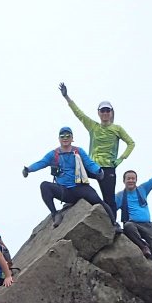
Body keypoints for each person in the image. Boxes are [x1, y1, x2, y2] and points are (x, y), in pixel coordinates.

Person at [59, 84, 135, 214]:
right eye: (102, 111)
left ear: (111, 113)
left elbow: (131, 143)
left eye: (107, 111)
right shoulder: (93, 126)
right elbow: (79, 114)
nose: (105, 113)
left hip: (108, 168)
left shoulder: (117, 129)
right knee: (73, 173)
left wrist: (121, 159)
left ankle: (112, 223)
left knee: (109, 199)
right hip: (91, 166)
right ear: (98, 113)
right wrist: (66, 97)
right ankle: (71, 201)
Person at [23, 129, 109, 226]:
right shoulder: (54, 154)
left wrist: (98, 171)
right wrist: (28, 169)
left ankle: (114, 224)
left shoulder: (78, 151)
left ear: (72, 138)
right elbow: (41, 163)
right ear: (59, 139)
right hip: (63, 191)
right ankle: (55, 214)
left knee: (98, 201)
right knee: (44, 186)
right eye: (62, 136)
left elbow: (89, 163)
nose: (65, 138)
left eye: (68, 136)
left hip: (79, 187)